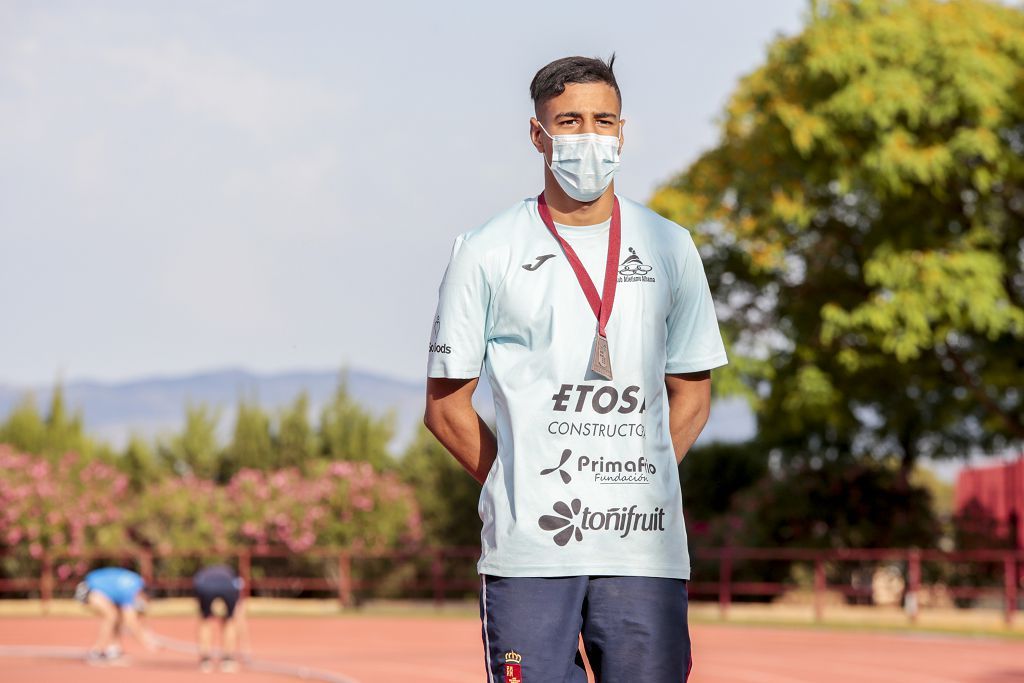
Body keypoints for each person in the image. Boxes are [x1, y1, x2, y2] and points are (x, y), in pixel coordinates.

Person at [423, 55, 727, 682]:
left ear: (622, 132)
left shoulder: (672, 246)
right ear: (538, 135)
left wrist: (634, 479)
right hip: (532, 553)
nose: (588, 136)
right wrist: (516, 483)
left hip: (642, 550)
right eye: (569, 121)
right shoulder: (486, 249)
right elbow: (445, 408)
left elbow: (692, 395)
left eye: (602, 120)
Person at [74, 566, 156, 663]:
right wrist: (147, 642)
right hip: (89, 589)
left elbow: (137, 616)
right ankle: (96, 651)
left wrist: (145, 632)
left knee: (117, 616)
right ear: (142, 594)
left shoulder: (136, 583)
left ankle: (113, 649)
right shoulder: (130, 590)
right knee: (111, 616)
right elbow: (130, 621)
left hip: (96, 588)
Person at [193, 564, 247, 673]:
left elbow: (197, 589)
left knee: (205, 620)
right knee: (229, 621)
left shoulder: (202, 574)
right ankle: (228, 659)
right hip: (226, 587)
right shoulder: (232, 575)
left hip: (205, 587)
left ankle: (205, 660)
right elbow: (239, 608)